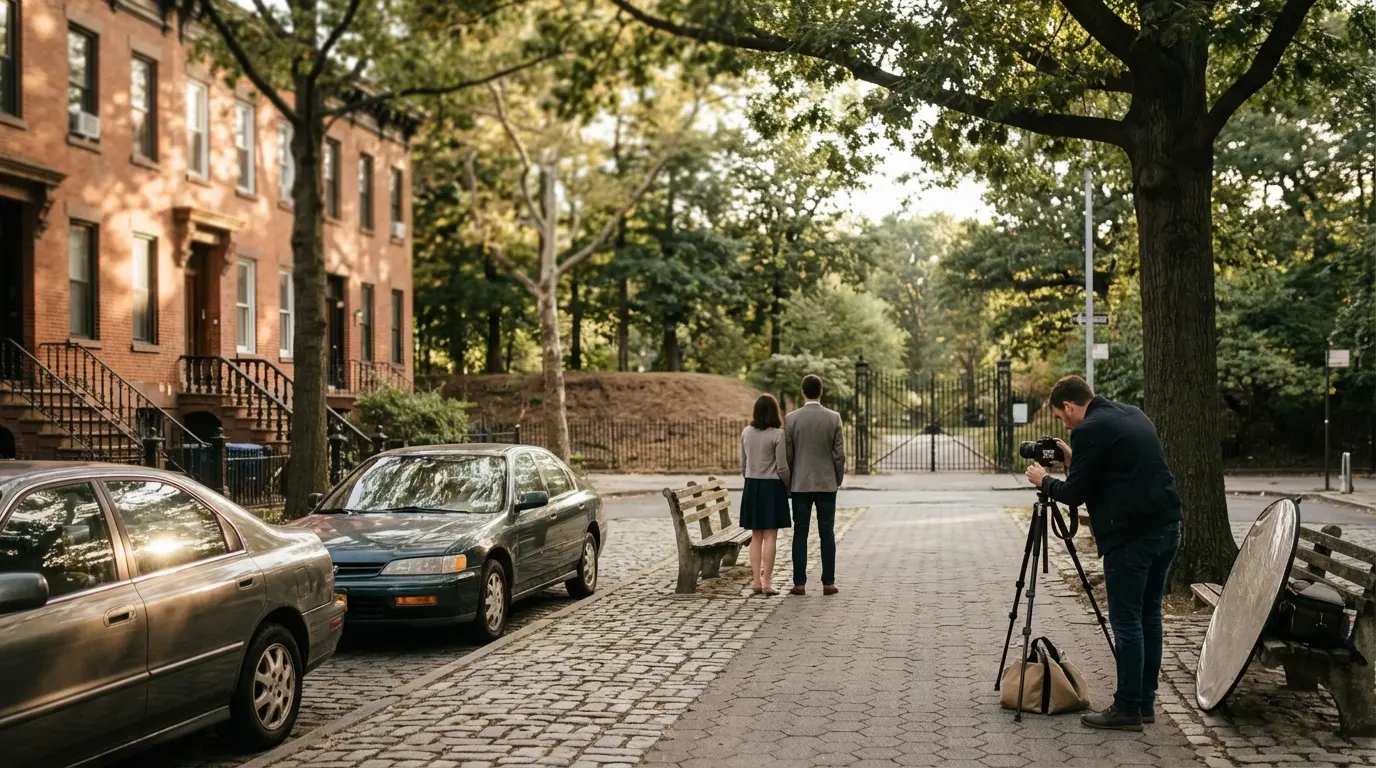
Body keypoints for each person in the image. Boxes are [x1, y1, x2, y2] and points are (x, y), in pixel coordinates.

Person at [1024, 375, 1183, 732]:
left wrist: (1042, 480)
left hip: (1131, 538)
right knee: (1149, 616)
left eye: (1060, 417)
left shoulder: (1089, 429)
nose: (1062, 425)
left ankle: (1126, 708)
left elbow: (1074, 494)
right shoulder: (1131, 414)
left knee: (1127, 620)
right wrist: (1072, 458)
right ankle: (1144, 703)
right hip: (1168, 527)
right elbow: (1112, 469)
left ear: (1069, 406)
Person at [785, 374, 846, 596]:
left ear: (803, 392)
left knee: (800, 533)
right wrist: (836, 479)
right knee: (827, 533)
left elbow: (788, 455)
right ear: (821, 391)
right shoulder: (834, 418)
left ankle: (799, 583)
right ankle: (828, 582)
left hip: (800, 484)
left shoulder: (791, 419)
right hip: (826, 483)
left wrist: (789, 482)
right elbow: (839, 455)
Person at [740, 394, 792, 596]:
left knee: (756, 536)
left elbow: (742, 465)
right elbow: (782, 467)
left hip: (752, 486)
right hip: (772, 488)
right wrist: (787, 486)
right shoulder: (777, 435)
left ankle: (755, 581)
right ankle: (767, 582)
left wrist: (751, 476)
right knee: (770, 536)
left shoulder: (746, 432)